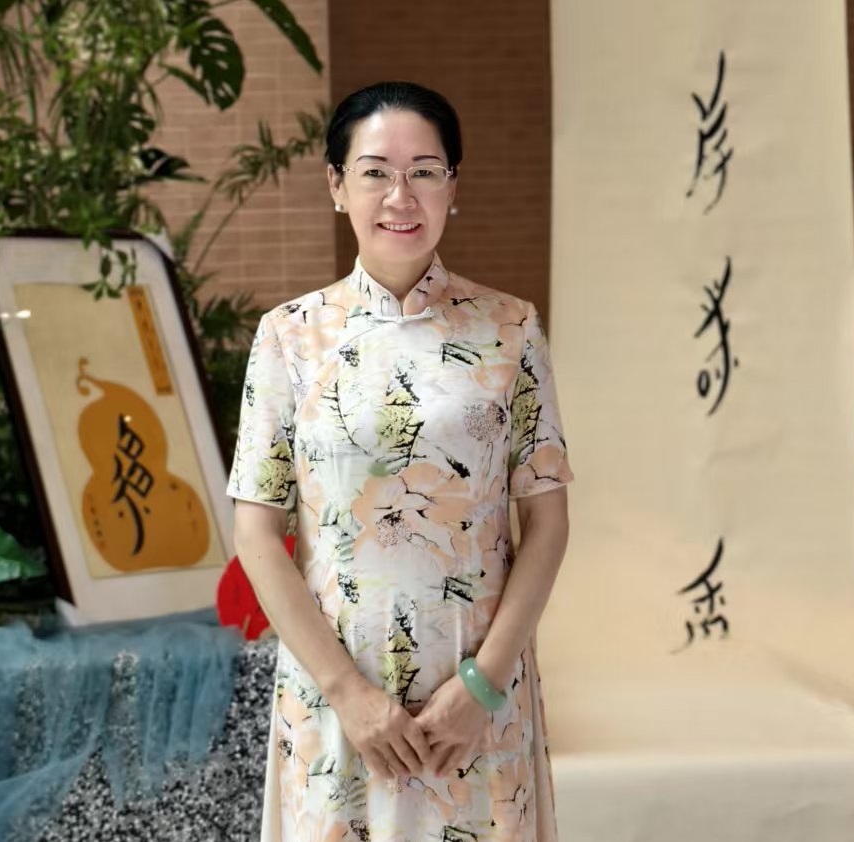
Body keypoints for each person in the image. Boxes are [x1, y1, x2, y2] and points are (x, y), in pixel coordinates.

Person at [227, 80, 574, 842]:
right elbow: (255, 534)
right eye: (376, 170)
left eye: (425, 170)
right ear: (336, 185)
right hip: (336, 702)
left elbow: (546, 521)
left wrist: (482, 686)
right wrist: (347, 693)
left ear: (453, 186)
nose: (400, 194)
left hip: (474, 695)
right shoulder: (288, 338)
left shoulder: (510, 329)